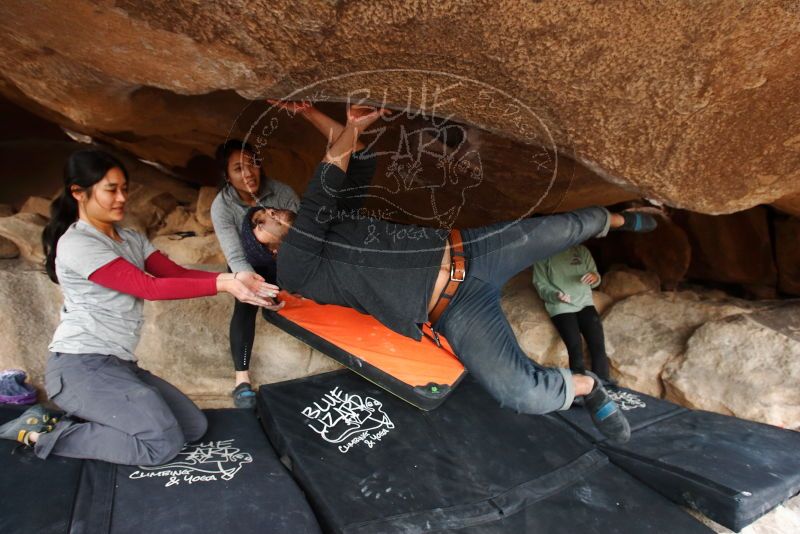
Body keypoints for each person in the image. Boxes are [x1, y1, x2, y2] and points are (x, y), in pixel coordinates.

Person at [242, 103, 658, 443]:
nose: (269, 213)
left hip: (474, 250)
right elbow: (321, 191)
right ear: (266, 248)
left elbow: (356, 160)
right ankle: (588, 387)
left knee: (564, 227)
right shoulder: (296, 268)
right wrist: (348, 128)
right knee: (520, 393)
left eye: (265, 208)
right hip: (456, 310)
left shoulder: (333, 223)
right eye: (260, 222)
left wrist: (315, 115)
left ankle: (623, 219)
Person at [0, 149, 277, 465]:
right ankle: (43, 434)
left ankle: (101, 421)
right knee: (161, 444)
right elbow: (148, 287)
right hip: (80, 368)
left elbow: (176, 275)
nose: (121, 198)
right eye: (110, 189)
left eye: (124, 188)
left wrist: (235, 275)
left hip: (120, 366)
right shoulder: (77, 243)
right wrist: (224, 284)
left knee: (192, 426)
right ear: (78, 192)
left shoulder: (130, 238)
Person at [211, 139, 299, 408]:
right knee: (245, 301)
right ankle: (242, 381)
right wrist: (258, 289)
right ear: (227, 176)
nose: (248, 173)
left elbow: (302, 241)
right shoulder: (222, 206)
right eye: (238, 168)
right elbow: (236, 257)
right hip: (248, 265)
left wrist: (284, 284)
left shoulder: (281, 193)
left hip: (284, 258)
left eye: (251, 165)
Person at [533, 245, 613, 384]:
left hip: (584, 303)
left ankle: (603, 384)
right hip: (561, 305)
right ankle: (580, 387)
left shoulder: (580, 250)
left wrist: (594, 277)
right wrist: (555, 295)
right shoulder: (542, 254)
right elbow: (540, 285)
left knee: (597, 345)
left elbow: (595, 276)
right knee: (575, 348)